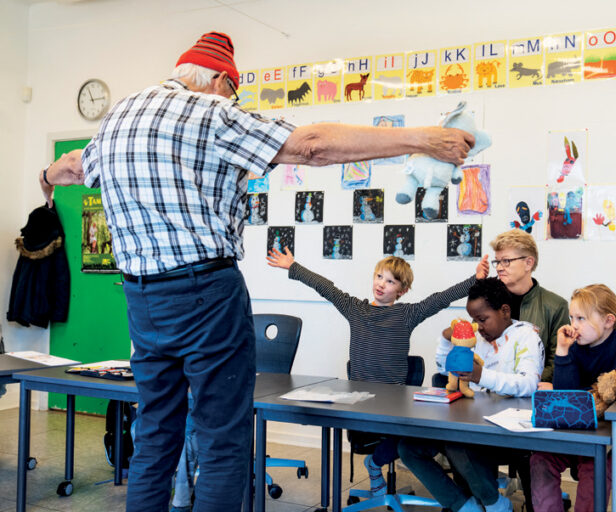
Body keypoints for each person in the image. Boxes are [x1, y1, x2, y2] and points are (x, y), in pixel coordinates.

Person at [39, 31, 475, 512]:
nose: (234, 100)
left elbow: (72, 167)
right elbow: (310, 146)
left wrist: (45, 178)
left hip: (143, 300)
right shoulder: (209, 111)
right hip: (204, 291)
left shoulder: (118, 116)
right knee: (223, 438)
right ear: (221, 81)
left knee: (157, 435)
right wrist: (421, 139)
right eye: (235, 92)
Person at [266, 248, 489, 495]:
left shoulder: (407, 314)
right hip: (361, 402)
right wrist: (293, 266)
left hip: (394, 403)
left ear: (401, 290)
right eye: (379, 277)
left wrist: (474, 280)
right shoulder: (355, 309)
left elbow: (439, 299)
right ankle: (375, 466)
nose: (381, 284)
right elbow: (325, 287)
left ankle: (373, 464)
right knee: (396, 436)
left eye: (390, 281)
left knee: (424, 434)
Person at [398, 277, 544, 512]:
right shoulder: (478, 339)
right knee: (408, 448)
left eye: (483, 319)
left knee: (457, 443)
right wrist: (446, 340)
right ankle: (465, 506)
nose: (479, 327)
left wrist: (480, 376)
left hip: (506, 431)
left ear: (505, 311)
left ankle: (495, 504)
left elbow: (528, 384)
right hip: (469, 423)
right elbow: (447, 369)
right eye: (474, 320)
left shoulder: (526, 336)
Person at [529, 284, 616, 512]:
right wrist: (562, 351)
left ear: (608, 320)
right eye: (572, 317)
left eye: (581, 318)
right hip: (572, 431)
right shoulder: (574, 345)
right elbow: (566, 397)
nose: (574, 325)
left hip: (604, 437)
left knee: (597, 469)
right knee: (540, 460)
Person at [489, 230, 569, 387]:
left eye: (506, 261)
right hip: (491, 388)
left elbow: (557, 362)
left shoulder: (556, 306)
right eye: (497, 262)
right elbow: (477, 349)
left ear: (528, 263)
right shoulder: (488, 302)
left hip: (532, 392)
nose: (499, 268)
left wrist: (522, 382)